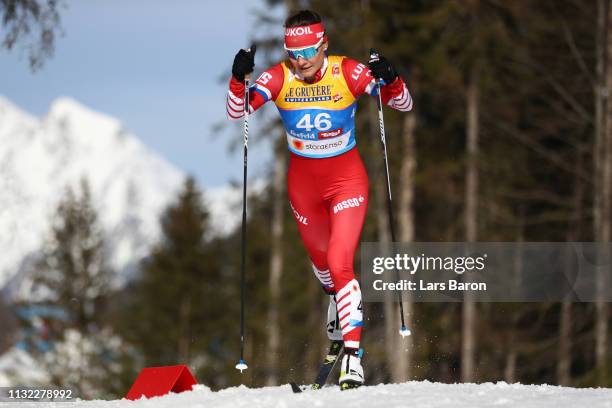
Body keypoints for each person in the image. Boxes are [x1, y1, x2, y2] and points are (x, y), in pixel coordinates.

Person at [226, 9, 412, 389]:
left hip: (346, 182)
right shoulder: (278, 78)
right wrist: (236, 79)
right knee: (324, 267)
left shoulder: (347, 72)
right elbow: (237, 111)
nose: (302, 59)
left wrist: (391, 80)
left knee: (340, 261)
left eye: (309, 50)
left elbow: (402, 104)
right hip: (304, 188)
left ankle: (354, 358)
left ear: (324, 44)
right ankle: (338, 307)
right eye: (294, 52)